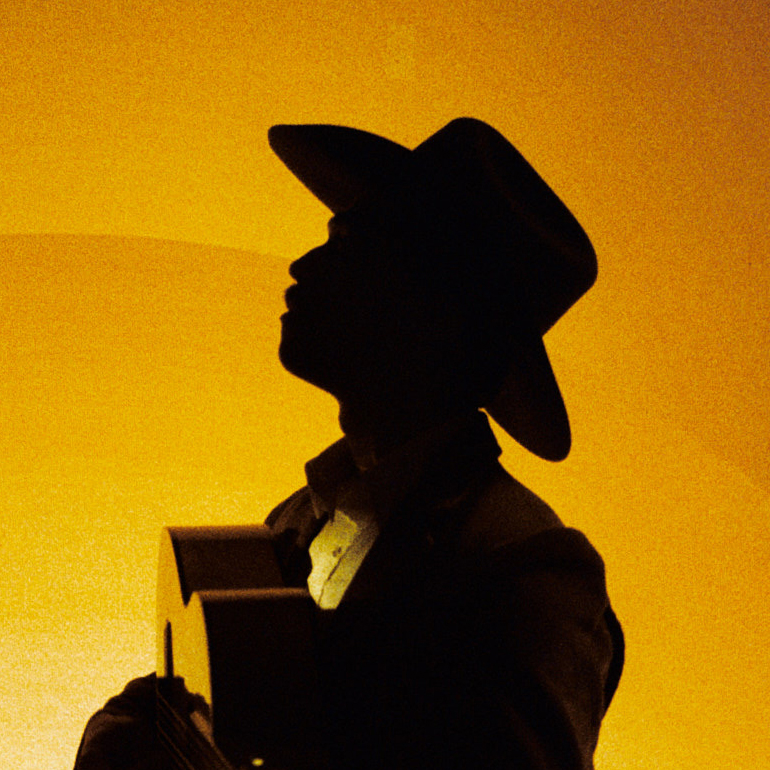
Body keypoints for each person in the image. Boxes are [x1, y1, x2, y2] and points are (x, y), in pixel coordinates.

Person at [75, 117, 623, 770]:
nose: (304, 265)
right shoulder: (297, 522)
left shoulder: (525, 571)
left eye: (350, 248)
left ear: (430, 312)